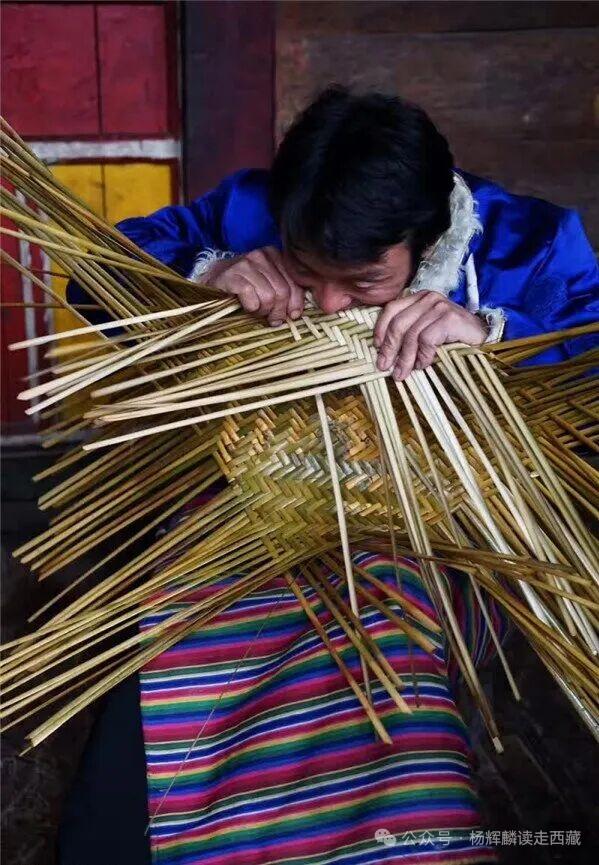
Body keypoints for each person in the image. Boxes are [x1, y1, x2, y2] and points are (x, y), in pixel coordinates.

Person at [60, 87, 598, 865]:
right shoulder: (252, 211)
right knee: (180, 609)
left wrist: (496, 335)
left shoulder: (524, 243)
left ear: (426, 236)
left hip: (437, 528)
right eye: (311, 276)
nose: (331, 304)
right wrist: (204, 275)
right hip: (256, 500)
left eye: (363, 285)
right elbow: (95, 270)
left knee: (380, 624)